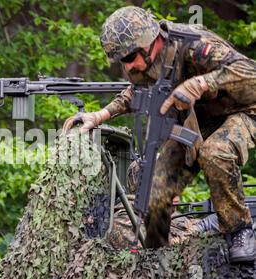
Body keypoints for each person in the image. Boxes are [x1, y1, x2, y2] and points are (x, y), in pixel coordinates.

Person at [64, 6, 256, 263]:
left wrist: (201, 83)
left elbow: (249, 73)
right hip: (197, 122)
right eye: (123, 61)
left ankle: (239, 230)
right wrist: (99, 115)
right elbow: (135, 92)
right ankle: (158, 258)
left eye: (130, 57)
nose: (128, 65)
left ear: (150, 42)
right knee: (155, 186)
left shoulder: (195, 44)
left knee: (215, 152)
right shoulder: (147, 62)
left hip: (241, 110)